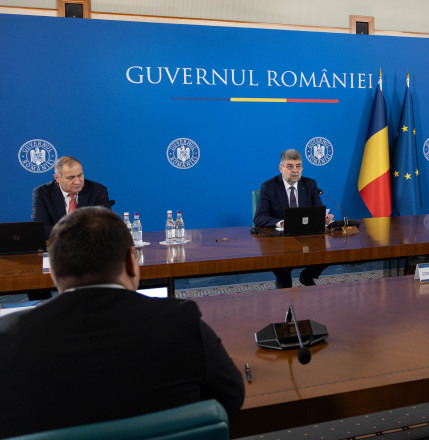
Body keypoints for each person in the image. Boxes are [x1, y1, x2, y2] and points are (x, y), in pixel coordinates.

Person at [0, 207, 245, 438]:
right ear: (131, 261)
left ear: (53, 272)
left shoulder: (8, 338)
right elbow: (230, 398)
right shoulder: (181, 321)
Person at [254, 149, 334, 288]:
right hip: (281, 240)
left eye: (298, 166)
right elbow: (259, 218)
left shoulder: (310, 184)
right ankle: (284, 282)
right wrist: (281, 223)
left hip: (307, 237)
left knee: (329, 253)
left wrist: (323, 219)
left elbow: (318, 210)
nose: (295, 170)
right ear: (281, 168)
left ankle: (307, 275)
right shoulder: (268, 187)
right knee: (284, 277)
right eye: (290, 166)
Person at [32, 156, 110, 238]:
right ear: (57, 178)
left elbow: (105, 224)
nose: (77, 182)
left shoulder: (97, 190)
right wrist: (74, 234)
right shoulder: (42, 193)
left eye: (80, 175)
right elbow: (41, 228)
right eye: (70, 178)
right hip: (59, 243)